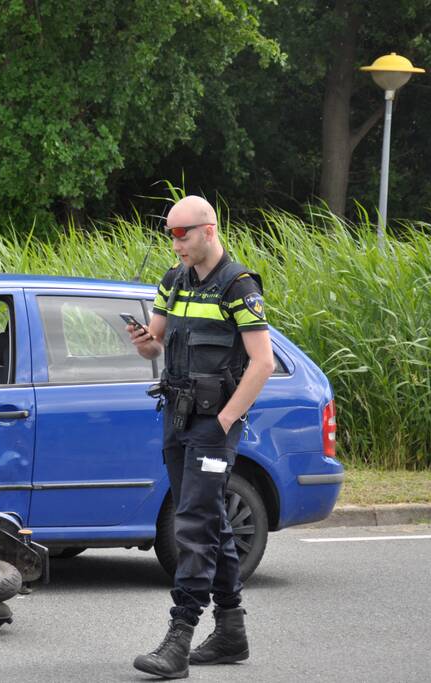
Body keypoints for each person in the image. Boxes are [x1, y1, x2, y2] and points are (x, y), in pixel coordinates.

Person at [129, 195, 274, 679]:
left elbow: (263, 363)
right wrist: (143, 342)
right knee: (213, 520)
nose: (176, 246)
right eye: (170, 235)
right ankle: (232, 632)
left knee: (191, 523)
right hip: (176, 414)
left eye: (182, 234)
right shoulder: (173, 281)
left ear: (208, 230)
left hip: (214, 424)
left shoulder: (238, 285)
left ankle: (179, 637)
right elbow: (155, 340)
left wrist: (228, 420)